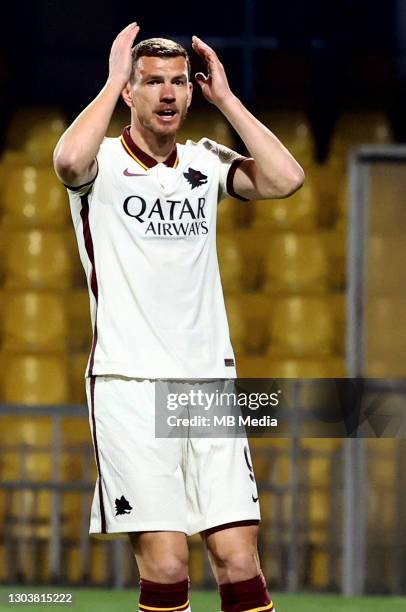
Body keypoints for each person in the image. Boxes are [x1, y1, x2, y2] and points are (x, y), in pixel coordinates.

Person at [53, 21, 304, 612]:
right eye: (152, 82)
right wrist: (113, 75)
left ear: (191, 93)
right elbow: (66, 161)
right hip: (130, 384)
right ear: (130, 94)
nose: (167, 93)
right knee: (166, 564)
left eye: (178, 82)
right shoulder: (102, 164)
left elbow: (286, 179)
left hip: (210, 384)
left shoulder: (204, 161)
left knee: (238, 559)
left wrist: (228, 100)